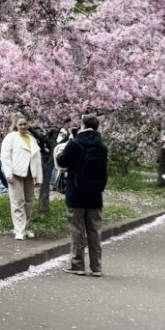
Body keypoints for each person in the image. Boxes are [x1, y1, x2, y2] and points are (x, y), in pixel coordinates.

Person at [56, 112, 108, 275]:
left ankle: (77, 264)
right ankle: (96, 267)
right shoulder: (102, 147)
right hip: (95, 194)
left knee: (77, 230)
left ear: (83, 125)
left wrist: (65, 146)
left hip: (76, 193)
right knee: (94, 231)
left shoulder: (75, 144)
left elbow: (61, 161)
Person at [0, 113, 43, 240]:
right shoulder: (10, 137)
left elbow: (37, 159)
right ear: (16, 126)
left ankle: (25, 228)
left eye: (25, 124)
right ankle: (19, 230)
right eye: (20, 124)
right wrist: (8, 174)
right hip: (16, 173)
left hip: (30, 172)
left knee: (29, 201)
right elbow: (5, 156)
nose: (23, 126)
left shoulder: (31, 139)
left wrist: (38, 177)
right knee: (17, 201)